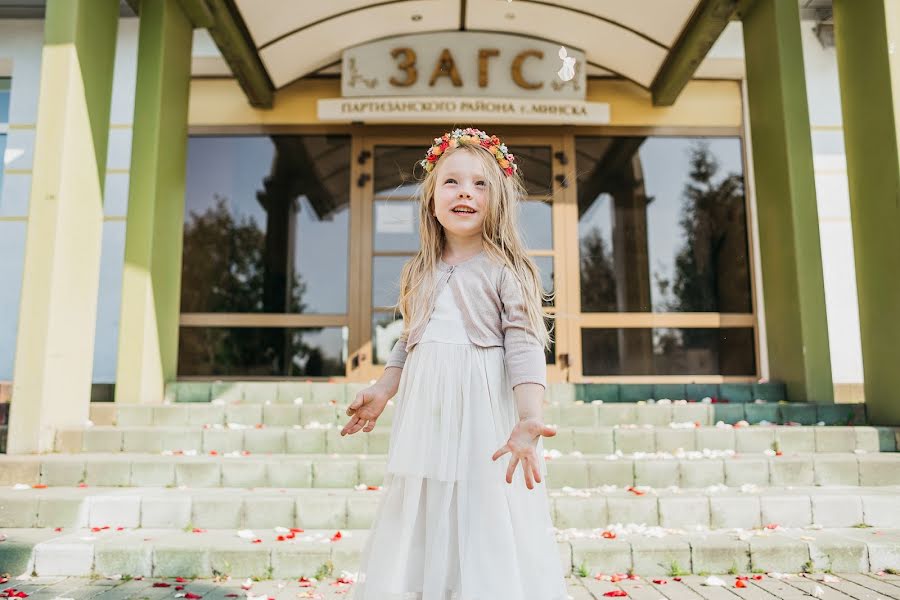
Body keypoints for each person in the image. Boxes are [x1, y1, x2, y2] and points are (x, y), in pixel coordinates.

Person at [341, 128, 569, 599]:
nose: (465, 191)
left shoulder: (505, 270)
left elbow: (525, 347)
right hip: (430, 417)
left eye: (480, 184)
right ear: (430, 199)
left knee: (480, 508)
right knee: (426, 507)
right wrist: (383, 389)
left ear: (498, 200)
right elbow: (410, 342)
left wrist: (530, 416)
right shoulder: (419, 271)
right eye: (452, 182)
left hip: (482, 417)